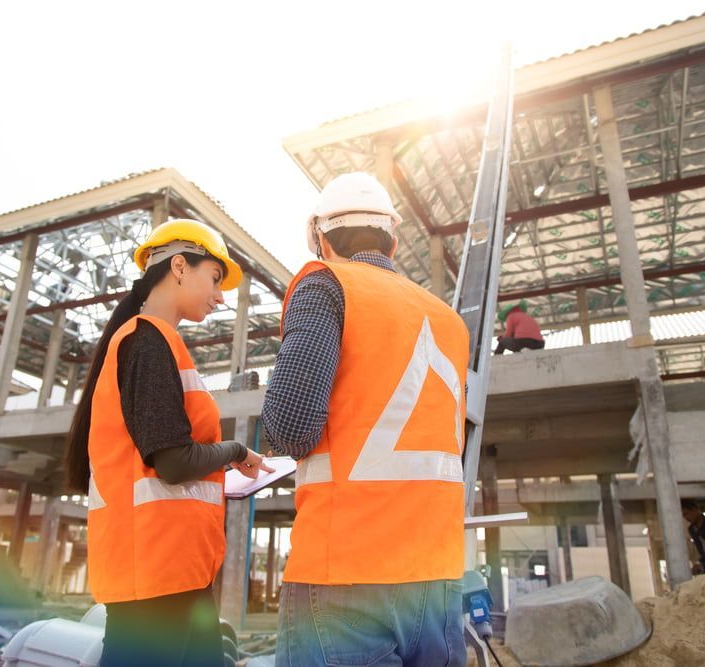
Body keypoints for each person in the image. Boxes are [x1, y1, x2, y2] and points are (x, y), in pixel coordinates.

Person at [262, 172, 469, 667]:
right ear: (392, 240)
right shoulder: (448, 320)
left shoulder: (327, 284)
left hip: (345, 576)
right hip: (438, 581)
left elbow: (290, 425)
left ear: (320, 239)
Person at [63, 219, 272, 667]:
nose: (220, 296)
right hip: (153, 578)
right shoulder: (147, 342)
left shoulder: (161, 344)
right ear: (179, 266)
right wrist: (235, 452)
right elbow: (173, 461)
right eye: (215, 279)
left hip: (178, 571)